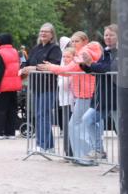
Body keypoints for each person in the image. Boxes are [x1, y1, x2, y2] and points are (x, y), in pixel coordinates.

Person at [38, 31, 103, 164]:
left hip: (87, 93)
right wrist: (52, 68)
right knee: (79, 124)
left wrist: (51, 67)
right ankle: (83, 156)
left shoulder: (85, 53)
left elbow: (69, 69)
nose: (73, 44)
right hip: (83, 93)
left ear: (85, 41)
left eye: (76, 41)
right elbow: (69, 71)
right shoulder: (82, 53)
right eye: (72, 41)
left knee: (78, 124)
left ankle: (86, 158)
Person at [19, 23, 63, 152]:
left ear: (52, 35)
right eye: (41, 31)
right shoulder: (36, 48)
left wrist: (33, 68)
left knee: (44, 115)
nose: (43, 34)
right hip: (36, 86)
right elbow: (27, 63)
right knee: (38, 115)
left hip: (48, 86)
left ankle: (46, 145)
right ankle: (43, 144)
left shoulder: (54, 49)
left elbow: (51, 65)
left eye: (46, 32)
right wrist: (23, 69)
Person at [79, 24, 117, 161]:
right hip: (103, 95)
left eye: (111, 35)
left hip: (116, 96)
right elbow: (98, 70)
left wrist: (91, 64)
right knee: (87, 119)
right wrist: (85, 65)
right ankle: (99, 150)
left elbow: (109, 68)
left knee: (121, 130)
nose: (107, 37)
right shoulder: (106, 51)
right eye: (106, 35)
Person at [0, 33, 22, 139]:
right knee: (12, 109)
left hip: (3, 86)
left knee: (0, 109)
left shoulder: (0, 53)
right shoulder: (15, 52)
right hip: (14, 86)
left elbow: (0, 72)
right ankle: (10, 132)